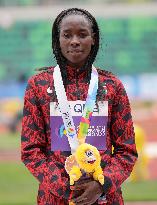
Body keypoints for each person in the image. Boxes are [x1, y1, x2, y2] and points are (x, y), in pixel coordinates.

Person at [21, 8, 138, 205]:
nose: (74, 40)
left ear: (93, 38)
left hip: (104, 198)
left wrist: (101, 184)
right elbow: (31, 151)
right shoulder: (39, 86)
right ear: (57, 39)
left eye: (82, 34)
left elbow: (126, 151)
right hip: (54, 198)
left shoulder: (111, 86)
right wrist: (66, 188)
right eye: (67, 35)